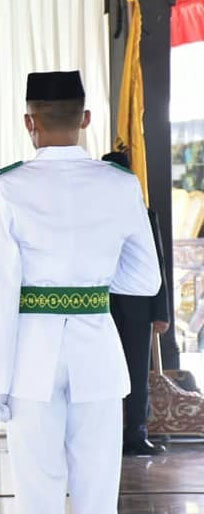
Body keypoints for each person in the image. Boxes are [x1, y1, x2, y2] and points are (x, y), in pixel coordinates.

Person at [0, 71, 161, 514]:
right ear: (85, 119)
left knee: (38, 505)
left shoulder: (8, 185)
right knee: (97, 504)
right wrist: (92, 282)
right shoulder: (119, 184)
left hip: (31, 359)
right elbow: (145, 280)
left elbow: (0, 291)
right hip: (97, 355)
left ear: (29, 122)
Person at [101, 152, 171, 456]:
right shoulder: (92, 213)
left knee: (137, 371)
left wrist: (161, 312)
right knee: (103, 371)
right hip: (100, 303)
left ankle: (136, 434)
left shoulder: (144, 214)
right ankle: (106, 435)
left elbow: (157, 265)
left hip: (138, 305)